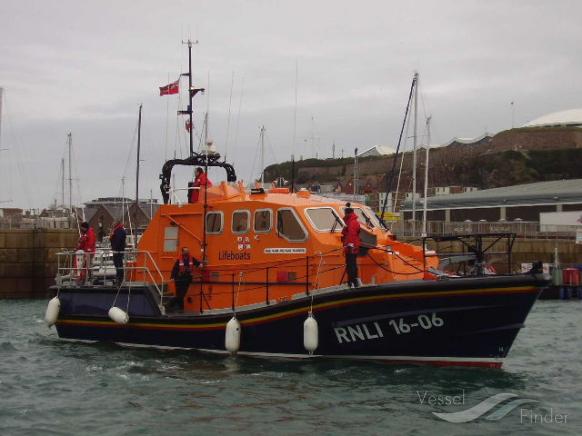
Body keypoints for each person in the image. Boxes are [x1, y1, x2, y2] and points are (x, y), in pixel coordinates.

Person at [169, 247, 201, 311]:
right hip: (179, 279)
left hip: (187, 279)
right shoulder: (179, 260)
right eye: (186, 251)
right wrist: (172, 277)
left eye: (188, 251)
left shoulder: (191, 258)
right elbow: (174, 269)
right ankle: (181, 309)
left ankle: (170, 304)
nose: (187, 252)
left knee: (182, 294)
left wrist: (200, 264)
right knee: (179, 294)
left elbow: (197, 263)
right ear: (183, 252)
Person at [341, 204, 361, 288]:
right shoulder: (353, 221)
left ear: (347, 213)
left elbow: (351, 235)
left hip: (351, 248)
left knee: (350, 265)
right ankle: (354, 281)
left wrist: (349, 246)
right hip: (353, 246)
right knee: (352, 264)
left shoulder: (351, 222)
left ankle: (352, 282)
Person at [109, 221, 127, 285]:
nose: (112, 224)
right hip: (117, 250)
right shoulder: (117, 230)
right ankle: (118, 277)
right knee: (117, 264)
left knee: (119, 264)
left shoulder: (120, 230)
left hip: (118, 250)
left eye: (113, 223)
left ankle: (119, 279)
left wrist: (115, 248)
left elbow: (118, 240)